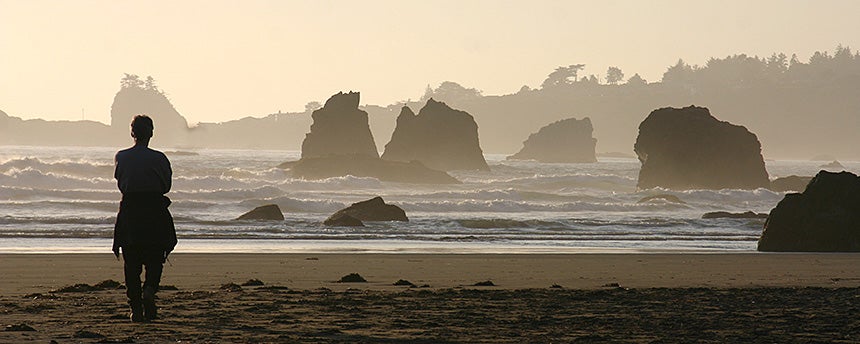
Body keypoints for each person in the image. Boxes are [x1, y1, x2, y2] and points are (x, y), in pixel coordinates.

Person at [112, 115, 177, 322]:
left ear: (132, 133)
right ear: (151, 133)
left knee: (131, 262)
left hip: (131, 211)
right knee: (155, 257)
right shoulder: (160, 158)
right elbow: (166, 186)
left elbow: (120, 182)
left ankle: (135, 307)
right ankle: (149, 289)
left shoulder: (121, 156)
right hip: (154, 210)